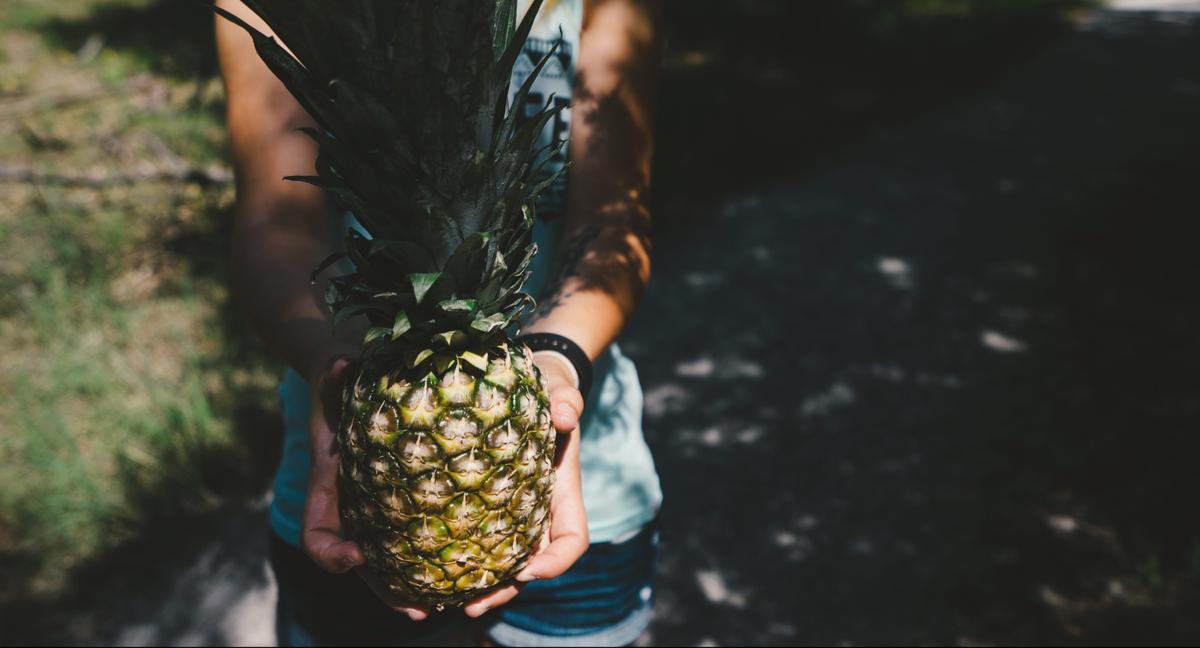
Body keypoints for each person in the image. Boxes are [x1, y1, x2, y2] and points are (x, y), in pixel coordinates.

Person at [215, 0, 664, 645]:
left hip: (594, 487)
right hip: (349, 485)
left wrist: (557, 354)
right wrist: (327, 361)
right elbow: (274, 222)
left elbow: (614, 220)